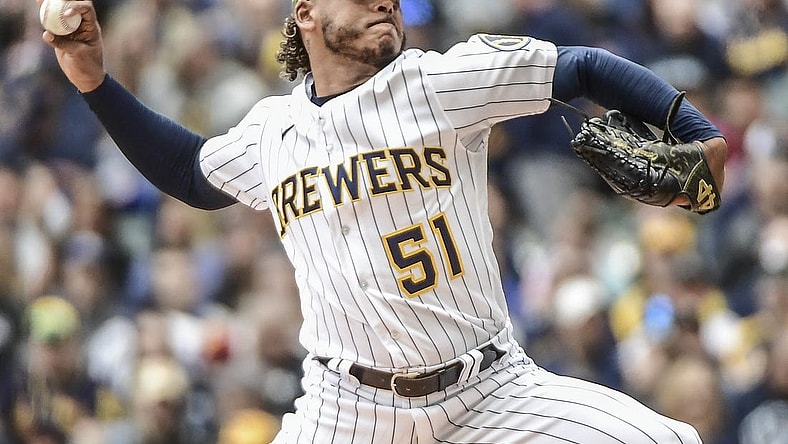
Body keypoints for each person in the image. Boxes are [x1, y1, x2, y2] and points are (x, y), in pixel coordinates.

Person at [43, 0, 728, 442]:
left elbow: (579, 67)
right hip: (345, 412)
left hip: (491, 390)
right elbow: (192, 172)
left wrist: (699, 131)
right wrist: (95, 84)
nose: (385, 2)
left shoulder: (438, 84)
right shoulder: (273, 132)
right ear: (306, 13)